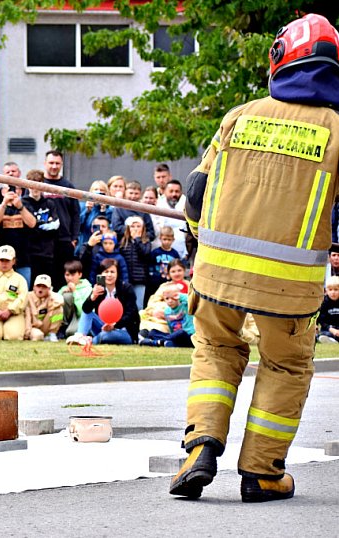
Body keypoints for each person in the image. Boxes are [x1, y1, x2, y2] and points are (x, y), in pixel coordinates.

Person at [170, 13, 339, 503]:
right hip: (292, 288)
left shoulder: (240, 115)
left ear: (280, 59)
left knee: (216, 351)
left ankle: (200, 445)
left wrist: (204, 241)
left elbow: (197, 195)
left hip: (217, 274)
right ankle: (262, 474)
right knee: (285, 367)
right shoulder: (336, 130)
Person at [76, 258, 138, 345]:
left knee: (106, 335)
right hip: (103, 326)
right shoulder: (99, 289)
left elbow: (131, 314)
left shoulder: (126, 288)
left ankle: (89, 341)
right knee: (87, 313)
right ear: (101, 274)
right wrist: (93, 296)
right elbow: (86, 309)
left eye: (112, 272)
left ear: (117, 274)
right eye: (106, 272)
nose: (109, 275)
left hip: (123, 330)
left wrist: (114, 325)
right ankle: (79, 336)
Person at [42, 150, 80, 286]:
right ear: (45, 163)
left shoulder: (68, 186)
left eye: (57, 163)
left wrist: (74, 238)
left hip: (64, 241)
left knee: (62, 281)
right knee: (43, 280)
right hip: (43, 241)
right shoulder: (38, 184)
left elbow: (76, 214)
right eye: (51, 163)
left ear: (62, 164)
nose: (54, 166)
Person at [23, 170, 61, 288]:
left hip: (47, 252)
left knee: (47, 287)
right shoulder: (23, 203)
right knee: (31, 288)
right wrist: (43, 223)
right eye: (32, 184)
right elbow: (28, 226)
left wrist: (36, 224)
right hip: (29, 253)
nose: (35, 188)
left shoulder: (49, 203)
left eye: (38, 184)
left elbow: (55, 225)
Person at [0, 184, 36, 285]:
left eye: (16, 190)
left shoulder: (26, 207)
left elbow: (32, 223)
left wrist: (20, 207)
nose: (12, 193)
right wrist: (4, 203)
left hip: (23, 259)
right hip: (3, 259)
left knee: (23, 291)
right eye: (8, 190)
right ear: (2, 192)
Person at [0, 245, 28, 341]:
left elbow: (22, 298)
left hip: (13, 314)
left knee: (13, 337)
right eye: (1, 260)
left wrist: (10, 310)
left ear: (14, 261)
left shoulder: (20, 279)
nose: (4, 263)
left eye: (7, 260)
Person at [120, 216, 152, 308]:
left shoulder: (146, 242)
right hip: (126, 280)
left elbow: (145, 254)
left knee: (138, 306)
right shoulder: (123, 242)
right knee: (126, 305)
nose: (135, 229)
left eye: (138, 226)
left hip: (140, 279)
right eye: (133, 226)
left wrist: (137, 240)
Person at [58, 260, 92, 339]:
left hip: (81, 317)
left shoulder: (88, 289)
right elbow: (54, 307)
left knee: (71, 332)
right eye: (67, 275)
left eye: (73, 275)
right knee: (66, 296)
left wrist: (75, 292)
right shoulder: (63, 288)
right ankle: (61, 328)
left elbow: (82, 311)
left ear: (80, 274)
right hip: (66, 319)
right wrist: (61, 293)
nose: (69, 278)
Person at [24, 274, 63, 342]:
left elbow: (60, 301)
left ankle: (52, 334)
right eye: (38, 286)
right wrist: (27, 332)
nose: (41, 289)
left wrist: (50, 295)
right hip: (33, 327)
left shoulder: (51, 296)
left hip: (44, 324)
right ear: (34, 287)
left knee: (59, 310)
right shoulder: (28, 296)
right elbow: (27, 318)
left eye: (44, 287)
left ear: (49, 289)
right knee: (38, 336)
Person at [77, 180, 112, 255]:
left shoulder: (110, 209)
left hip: (103, 248)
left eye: (102, 191)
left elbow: (110, 229)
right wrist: (87, 212)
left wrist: (103, 211)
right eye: (96, 190)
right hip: (84, 245)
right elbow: (78, 227)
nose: (98, 192)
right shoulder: (82, 207)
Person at [146, 226, 181, 300]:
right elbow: (150, 267)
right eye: (164, 239)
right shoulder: (155, 252)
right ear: (160, 238)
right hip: (155, 283)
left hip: (170, 284)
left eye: (169, 240)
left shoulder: (175, 254)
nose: (167, 242)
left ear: (173, 240)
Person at [156, 179, 188, 259]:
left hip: (181, 254)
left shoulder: (187, 206)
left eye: (177, 191)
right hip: (160, 256)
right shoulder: (157, 205)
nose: (174, 194)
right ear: (165, 192)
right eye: (171, 191)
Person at [316, 276, 339, 344]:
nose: (333, 292)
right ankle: (330, 339)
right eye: (330, 289)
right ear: (326, 291)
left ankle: (333, 340)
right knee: (323, 334)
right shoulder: (324, 303)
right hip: (328, 329)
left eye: (336, 289)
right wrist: (332, 329)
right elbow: (321, 320)